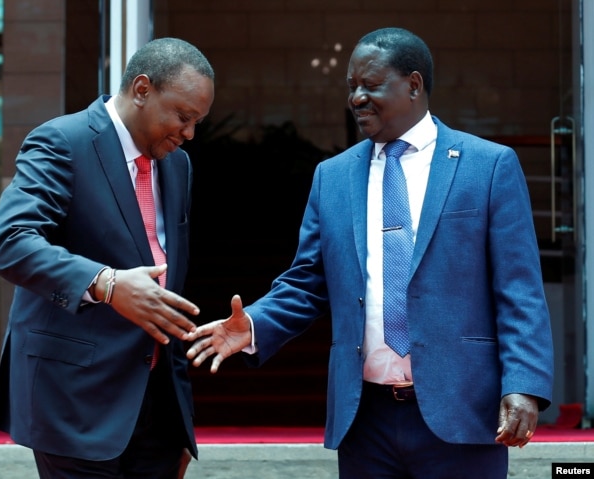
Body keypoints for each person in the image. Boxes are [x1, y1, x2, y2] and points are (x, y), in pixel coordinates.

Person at [186, 27, 553, 478]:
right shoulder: (333, 176)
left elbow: (519, 288)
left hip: (462, 412)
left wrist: (524, 384)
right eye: (351, 86)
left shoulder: (488, 165)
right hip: (366, 422)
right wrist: (256, 325)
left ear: (414, 85)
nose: (357, 97)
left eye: (371, 84)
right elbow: (307, 282)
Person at [0, 37, 214, 479]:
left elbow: (167, 292)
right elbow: (11, 240)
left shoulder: (178, 165)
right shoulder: (62, 141)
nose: (189, 133)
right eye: (183, 116)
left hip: (155, 413)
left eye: (197, 121)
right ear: (142, 89)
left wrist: (179, 424)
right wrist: (107, 284)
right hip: (74, 402)